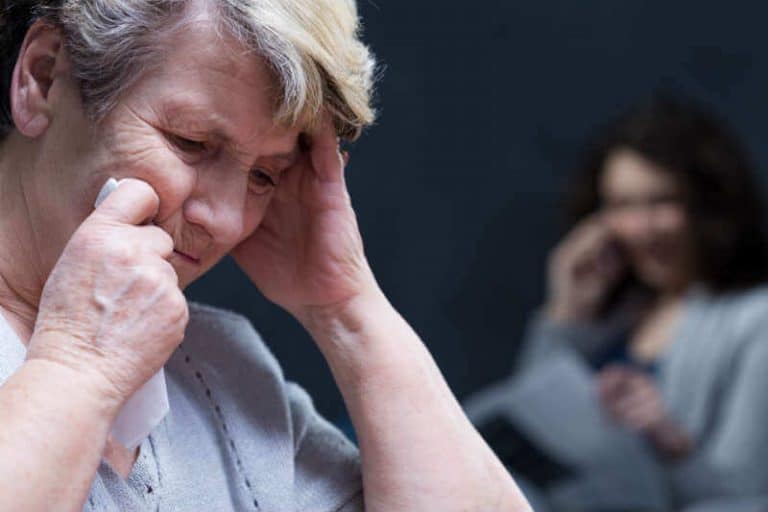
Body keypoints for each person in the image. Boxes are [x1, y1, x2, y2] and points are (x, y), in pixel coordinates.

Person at [0, 1, 530, 510]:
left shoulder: (224, 373)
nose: (229, 220)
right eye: (190, 142)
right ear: (42, 77)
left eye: (263, 176)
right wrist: (78, 368)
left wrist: (347, 310)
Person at [517, 98, 768, 508]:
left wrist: (669, 443)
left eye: (661, 201)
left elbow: (746, 496)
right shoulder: (614, 315)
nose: (641, 229)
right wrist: (566, 311)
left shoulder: (756, 319)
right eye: (622, 206)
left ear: (708, 206)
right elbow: (529, 436)